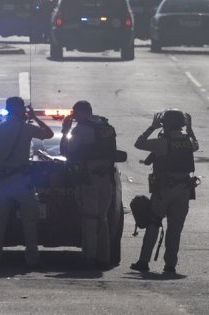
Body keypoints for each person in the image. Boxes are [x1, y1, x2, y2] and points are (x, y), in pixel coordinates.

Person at [0, 96, 54, 269]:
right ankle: (32, 258)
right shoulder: (27, 128)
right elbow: (49, 134)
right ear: (18, 109)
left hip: (3, 181)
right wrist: (35, 117)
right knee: (29, 223)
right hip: (22, 181)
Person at [131, 109, 199, 275]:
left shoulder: (163, 142)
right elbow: (196, 146)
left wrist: (152, 127)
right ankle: (170, 265)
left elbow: (139, 143)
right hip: (183, 190)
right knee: (175, 229)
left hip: (164, 190)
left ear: (165, 125)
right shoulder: (187, 141)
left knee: (153, 223)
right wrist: (190, 130)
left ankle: (143, 261)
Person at [60, 100, 119, 268]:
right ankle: (104, 257)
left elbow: (65, 150)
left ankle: (89, 257)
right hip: (106, 177)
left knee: (90, 218)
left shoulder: (81, 130)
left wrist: (65, 130)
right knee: (103, 217)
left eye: (75, 113)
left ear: (81, 112)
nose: (74, 117)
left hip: (90, 179)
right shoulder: (107, 127)